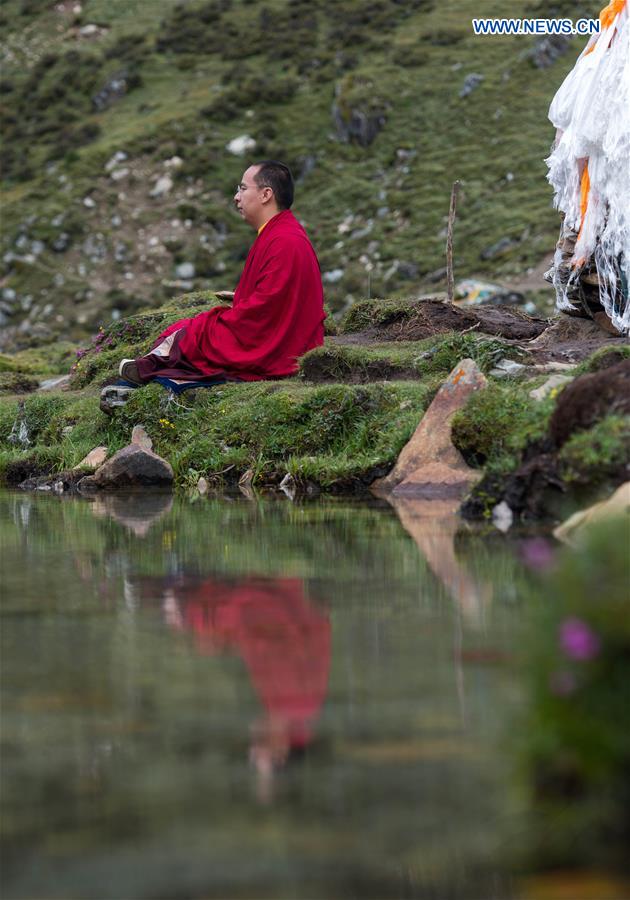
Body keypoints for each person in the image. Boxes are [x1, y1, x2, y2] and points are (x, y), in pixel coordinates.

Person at [104, 161, 325, 406]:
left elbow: (267, 307)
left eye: (242, 189)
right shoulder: (278, 233)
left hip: (274, 344)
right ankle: (148, 366)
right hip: (276, 331)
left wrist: (235, 311)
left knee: (193, 332)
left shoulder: (285, 240)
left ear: (266, 195)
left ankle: (147, 367)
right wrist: (240, 298)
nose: (236, 197)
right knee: (195, 327)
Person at [544, 0, 629, 335]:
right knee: (598, 221)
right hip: (606, 162)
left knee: (595, 222)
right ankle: (592, 300)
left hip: (605, 161)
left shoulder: (608, 31)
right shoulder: (611, 36)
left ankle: (590, 298)